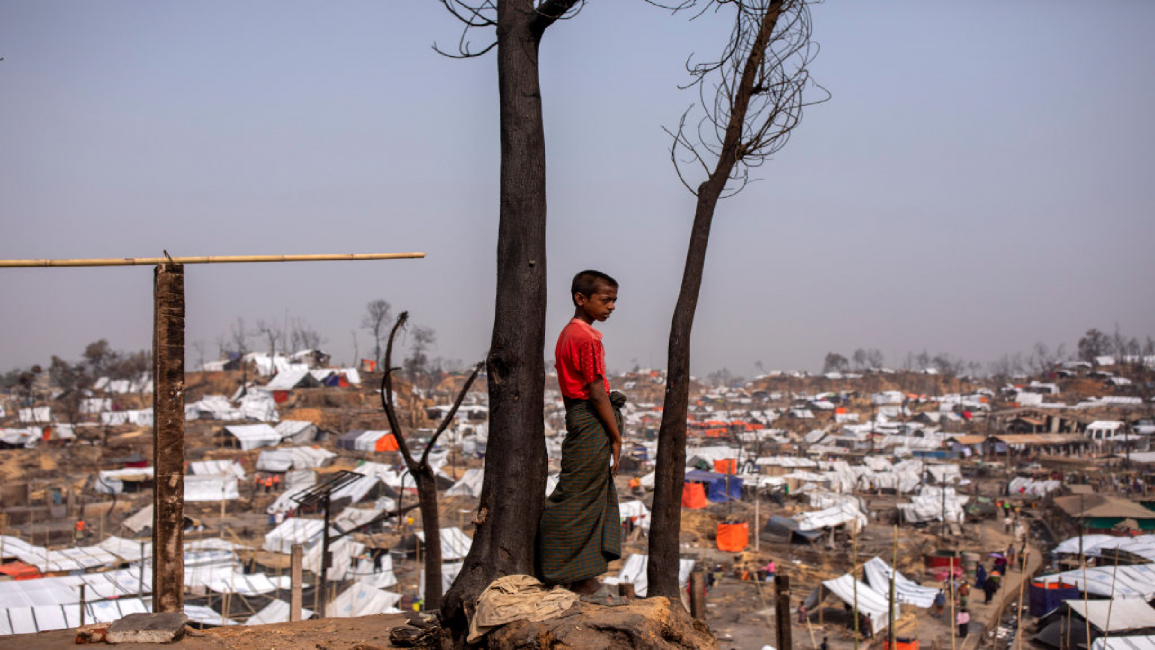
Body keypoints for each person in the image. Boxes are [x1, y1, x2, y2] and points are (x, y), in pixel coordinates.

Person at [537, 270, 624, 596]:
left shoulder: (569, 334)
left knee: (590, 497)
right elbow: (596, 391)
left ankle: (584, 577)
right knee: (576, 499)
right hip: (589, 420)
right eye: (605, 299)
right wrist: (615, 436)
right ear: (580, 299)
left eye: (614, 300)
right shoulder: (586, 338)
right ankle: (558, 568)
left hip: (584, 419)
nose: (612, 306)